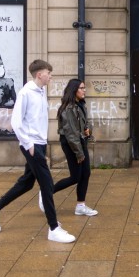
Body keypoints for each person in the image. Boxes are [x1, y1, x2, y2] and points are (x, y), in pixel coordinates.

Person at [0, 59, 76, 243]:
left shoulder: (40, 92)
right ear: (39, 74)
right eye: (49, 73)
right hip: (31, 145)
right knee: (47, 184)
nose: (51, 76)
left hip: (39, 143)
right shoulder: (26, 93)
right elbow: (16, 122)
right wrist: (29, 144)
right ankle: (53, 228)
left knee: (26, 183)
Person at [37, 79, 98, 216]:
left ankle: (81, 206)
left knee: (86, 174)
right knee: (75, 177)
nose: (84, 90)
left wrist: (89, 129)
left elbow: (85, 124)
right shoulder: (69, 108)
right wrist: (79, 153)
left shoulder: (80, 104)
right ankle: (46, 191)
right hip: (72, 144)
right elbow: (70, 134)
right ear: (74, 90)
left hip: (80, 141)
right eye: (81, 88)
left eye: (84, 88)